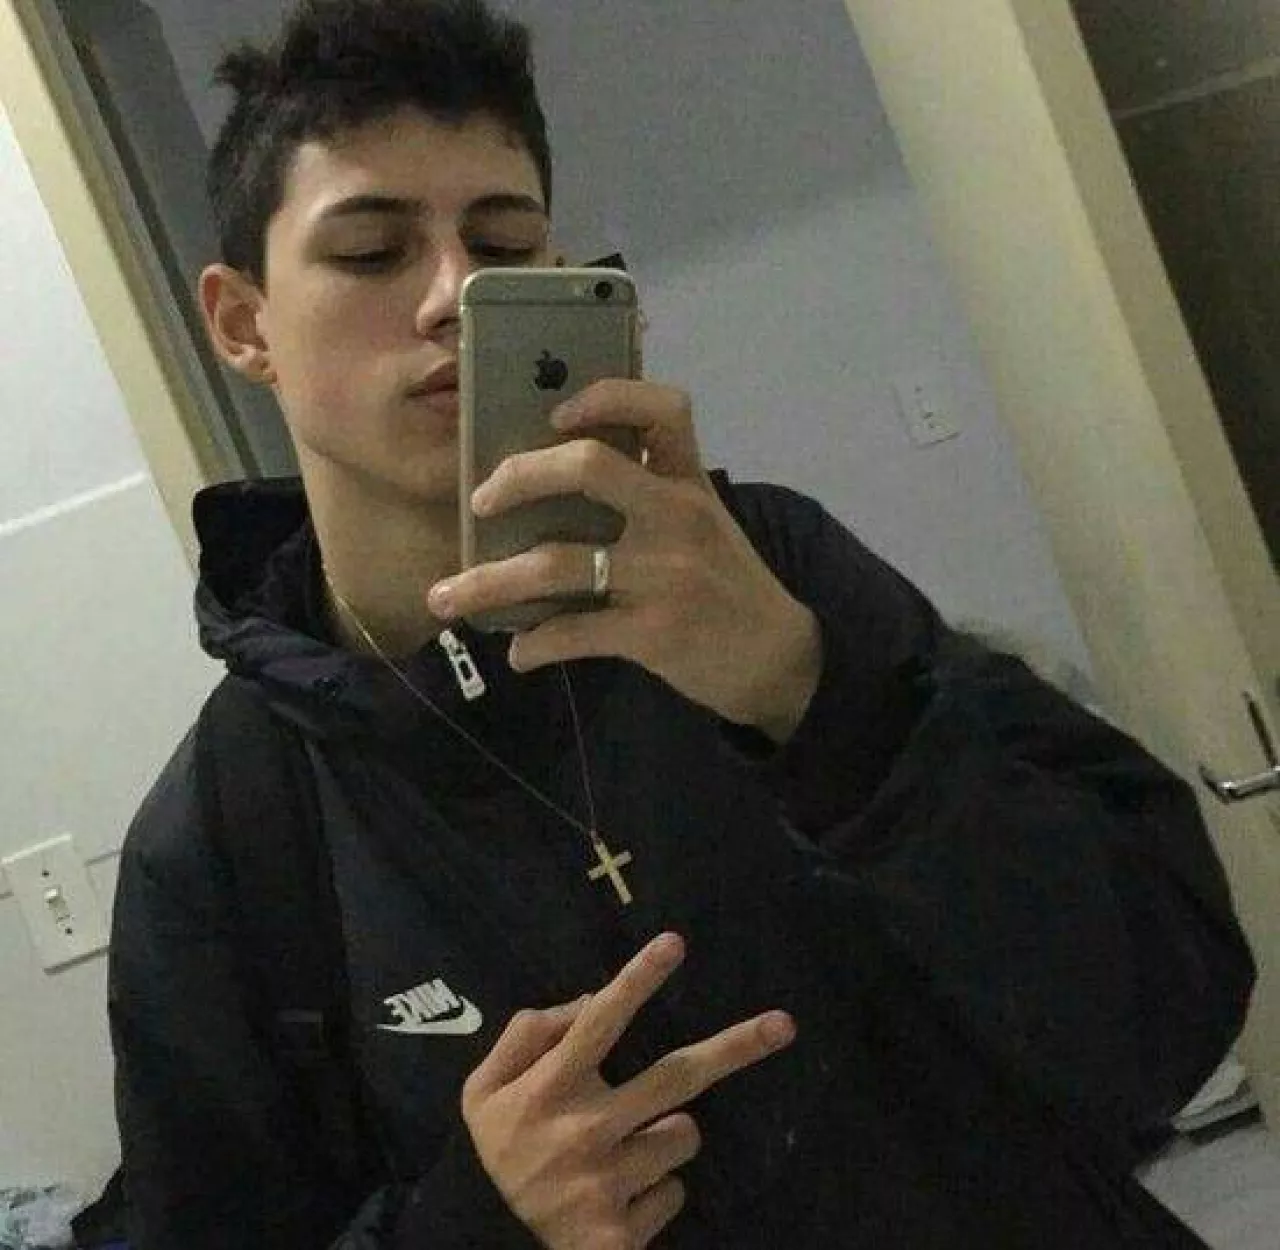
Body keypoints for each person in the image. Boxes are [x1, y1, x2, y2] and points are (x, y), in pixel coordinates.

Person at [107, 1, 1256, 1246]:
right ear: (243, 323)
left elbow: (1168, 1010)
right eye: (372, 251)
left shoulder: (763, 569)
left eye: (503, 242)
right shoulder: (230, 832)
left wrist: (821, 700)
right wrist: (475, 1224)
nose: (454, 295)